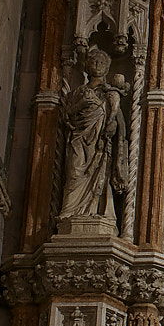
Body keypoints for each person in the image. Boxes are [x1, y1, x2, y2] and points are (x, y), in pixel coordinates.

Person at [60, 47, 130, 224]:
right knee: (74, 171)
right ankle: (69, 213)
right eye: (93, 61)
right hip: (78, 138)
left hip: (100, 144)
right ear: (86, 65)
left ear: (107, 68)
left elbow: (119, 121)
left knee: (100, 175)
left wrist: (113, 126)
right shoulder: (78, 92)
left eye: (101, 62)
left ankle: (98, 211)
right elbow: (67, 114)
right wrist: (83, 103)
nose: (97, 64)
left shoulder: (110, 93)